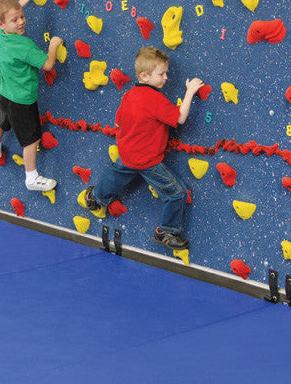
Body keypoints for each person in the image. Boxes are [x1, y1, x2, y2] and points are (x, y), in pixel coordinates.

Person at [84, 46, 204, 250]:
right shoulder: (155, 99)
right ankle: (167, 231)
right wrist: (190, 92)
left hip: (127, 153)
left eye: (166, 73)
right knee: (177, 193)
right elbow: (180, 118)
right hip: (148, 161)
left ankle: (95, 199)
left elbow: (118, 122)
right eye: (162, 74)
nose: (166, 77)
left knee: (115, 175)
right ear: (145, 76)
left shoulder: (129, 95)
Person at [0, 0, 63, 192]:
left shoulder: (1, 35)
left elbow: (8, 14)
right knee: (31, 139)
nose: (21, 22)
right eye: (15, 20)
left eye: (22, 16)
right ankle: (31, 177)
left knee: (0, 119)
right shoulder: (25, 45)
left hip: (3, 91)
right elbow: (47, 65)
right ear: (2, 24)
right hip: (22, 99)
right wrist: (53, 45)